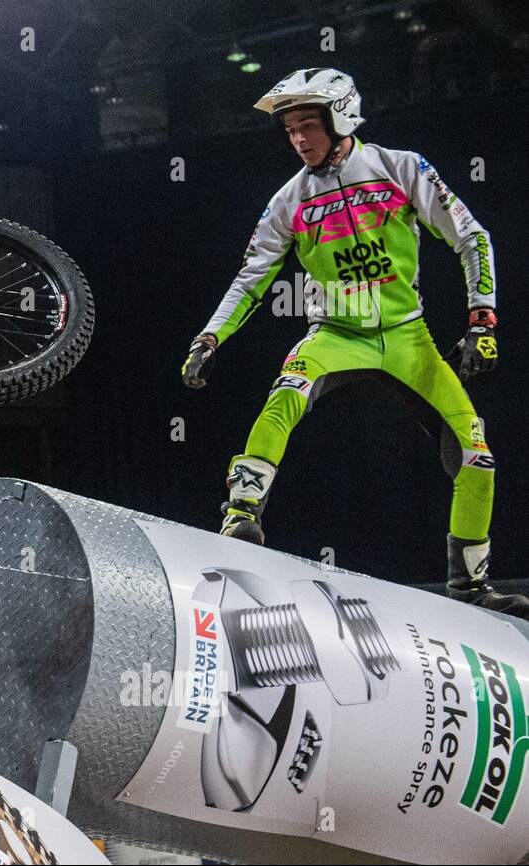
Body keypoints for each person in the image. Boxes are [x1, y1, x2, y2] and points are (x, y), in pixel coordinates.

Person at [180, 68, 528, 617]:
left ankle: (469, 589)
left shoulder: (402, 167)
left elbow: (472, 237)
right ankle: (241, 515)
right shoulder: (287, 201)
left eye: (307, 126)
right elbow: (251, 278)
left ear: (339, 117)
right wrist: (210, 336)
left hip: (408, 337)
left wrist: (483, 320)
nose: (297, 139)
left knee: (477, 460)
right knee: (285, 394)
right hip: (334, 335)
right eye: (289, 129)